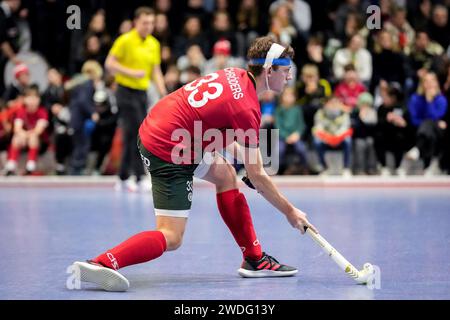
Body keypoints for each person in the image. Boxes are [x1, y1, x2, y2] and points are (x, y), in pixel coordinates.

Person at [72, 36, 318, 292]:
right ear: (269, 71)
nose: (289, 77)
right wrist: (290, 212)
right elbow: (257, 176)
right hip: (167, 148)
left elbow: (216, 127)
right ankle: (102, 262)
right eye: (286, 70)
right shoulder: (247, 108)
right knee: (172, 236)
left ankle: (254, 259)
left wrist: (248, 159)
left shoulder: (235, 75)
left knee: (225, 175)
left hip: (166, 127)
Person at [105, 7, 167, 192]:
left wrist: (164, 93)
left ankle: (124, 177)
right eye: (144, 23)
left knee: (133, 134)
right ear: (136, 22)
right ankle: (137, 176)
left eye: (151, 23)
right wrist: (131, 72)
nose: (148, 26)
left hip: (142, 93)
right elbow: (109, 64)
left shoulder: (154, 44)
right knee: (137, 132)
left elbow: (155, 71)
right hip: (125, 91)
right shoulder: (125, 40)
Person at [405, 71, 447, 174]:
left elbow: (437, 116)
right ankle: (429, 165)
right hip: (419, 129)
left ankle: (418, 150)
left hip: (437, 131)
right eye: (426, 81)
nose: (429, 84)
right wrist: (427, 123)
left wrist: (429, 101)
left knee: (430, 126)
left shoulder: (441, 99)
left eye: (432, 81)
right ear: (422, 84)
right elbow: (414, 119)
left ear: (437, 83)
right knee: (428, 130)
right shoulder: (415, 98)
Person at [5, 85, 48, 175]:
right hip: (23, 139)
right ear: (25, 99)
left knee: (33, 137)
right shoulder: (21, 111)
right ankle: (11, 166)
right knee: (16, 138)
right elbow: (17, 128)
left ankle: (30, 167)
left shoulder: (42, 112)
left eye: (35, 98)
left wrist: (27, 135)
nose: (32, 101)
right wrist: (23, 135)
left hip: (40, 142)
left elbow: (38, 130)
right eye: (30, 98)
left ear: (39, 100)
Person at [312, 97, 353, 177]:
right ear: (326, 104)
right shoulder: (320, 113)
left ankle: (346, 168)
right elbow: (318, 128)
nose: (333, 105)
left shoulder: (344, 113)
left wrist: (336, 137)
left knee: (348, 140)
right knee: (316, 141)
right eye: (331, 103)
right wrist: (328, 137)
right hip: (326, 140)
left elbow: (345, 127)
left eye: (336, 103)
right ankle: (324, 168)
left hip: (339, 139)